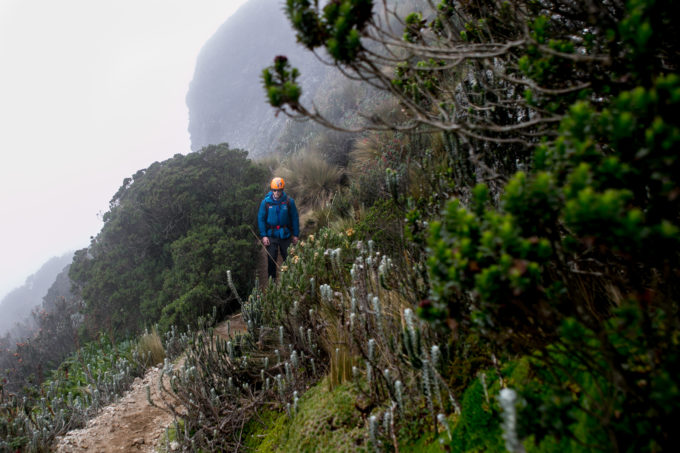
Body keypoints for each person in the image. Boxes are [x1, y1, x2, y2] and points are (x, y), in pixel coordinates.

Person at [258, 177, 299, 280]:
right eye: (274, 190)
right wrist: (264, 236)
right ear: (272, 190)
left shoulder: (289, 202)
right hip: (271, 235)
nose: (277, 192)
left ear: (282, 190)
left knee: (289, 259)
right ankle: (272, 285)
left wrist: (296, 234)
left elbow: (295, 218)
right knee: (271, 260)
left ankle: (291, 282)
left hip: (285, 234)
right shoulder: (265, 203)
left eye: (279, 190)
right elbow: (261, 219)